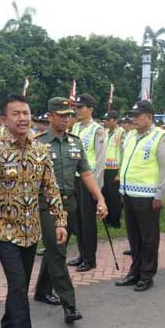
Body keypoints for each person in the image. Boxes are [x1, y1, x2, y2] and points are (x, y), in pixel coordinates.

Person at [0, 93, 67, 328]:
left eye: (26, 113)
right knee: (18, 285)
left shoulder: (41, 150)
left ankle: (7, 324)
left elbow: (50, 187)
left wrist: (60, 219)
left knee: (20, 284)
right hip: (5, 231)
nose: (23, 118)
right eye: (16, 114)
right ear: (4, 119)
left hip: (31, 231)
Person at [33, 97, 108, 320]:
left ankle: (42, 291)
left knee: (57, 250)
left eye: (69, 115)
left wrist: (100, 198)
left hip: (69, 202)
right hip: (45, 204)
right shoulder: (37, 143)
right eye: (62, 115)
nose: (67, 119)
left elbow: (85, 173)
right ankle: (70, 305)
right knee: (57, 251)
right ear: (50, 116)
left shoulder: (75, 142)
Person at [114, 100, 165, 292]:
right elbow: (126, 162)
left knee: (148, 238)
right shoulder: (130, 135)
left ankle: (147, 274)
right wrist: (122, 189)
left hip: (148, 196)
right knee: (134, 237)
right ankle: (134, 271)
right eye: (133, 115)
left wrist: (159, 195)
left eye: (138, 115)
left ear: (150, 116)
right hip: (129, 193)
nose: (134, 119)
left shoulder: (159, 136)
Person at [68, 94, 106, 272]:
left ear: (90, 109)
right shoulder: (75, 127)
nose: (77, 109)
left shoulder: (97, 130)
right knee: (78, 220)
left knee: (88, 221)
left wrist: (96, 187)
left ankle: (90, 259)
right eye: (76, 106)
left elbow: (99, 160)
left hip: (88, 180)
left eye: (81, 107)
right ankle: (82, 254)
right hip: (74, 178)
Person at [101, 110, 124, 228]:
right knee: (105, 195)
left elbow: (123, 153)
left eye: (109, 120)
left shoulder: (121, 133)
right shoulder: (104, 132)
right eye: (105, 120)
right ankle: (107, 219)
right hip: (104, 169)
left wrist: (120, 173)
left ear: (115, 120)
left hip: (115, 169)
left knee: (115, 197)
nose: (106, 122)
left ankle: (115, 221)